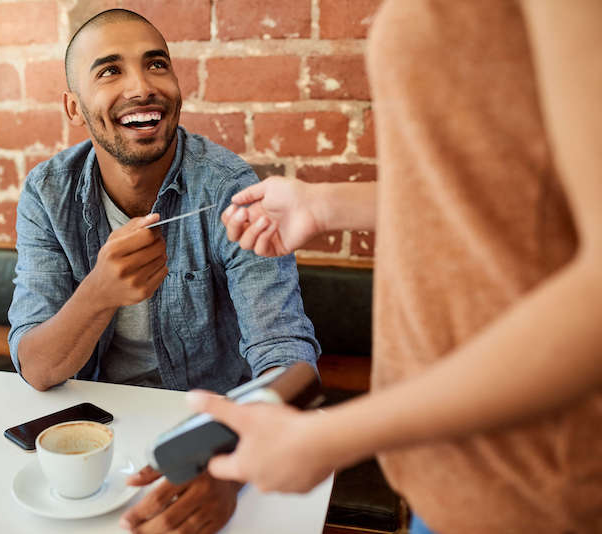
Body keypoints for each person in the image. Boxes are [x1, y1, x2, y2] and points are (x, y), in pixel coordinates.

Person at [189, 1, 602, 533]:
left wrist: (330, 437)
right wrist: (324, 206)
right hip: (450, 476)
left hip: (541, 491)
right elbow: (495, 194)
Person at [6, 9, 320, 534]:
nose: (142, 87)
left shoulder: (230, 190)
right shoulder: (48, 193)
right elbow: (36, 368)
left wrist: (228, 469)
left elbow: (292, 366)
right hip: (99, 438)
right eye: (109, 71)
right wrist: (100, 293)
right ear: (74, 107)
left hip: (207, 431)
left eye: (156, 65)